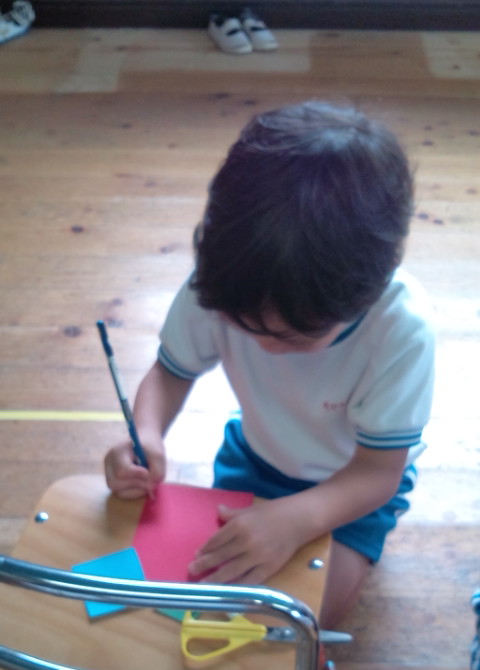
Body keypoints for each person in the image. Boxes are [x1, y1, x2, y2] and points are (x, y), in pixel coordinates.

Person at [104, 100, 435, 628]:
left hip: (350, 491)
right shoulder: (226, 281)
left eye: (294, 336)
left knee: (304, 618)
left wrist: (297, 519)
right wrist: (145, 432)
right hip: (254, 460)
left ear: (370, 287)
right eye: (244, 327)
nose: (266, 348)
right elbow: (170, 373)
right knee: (190, 601)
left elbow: (378, 473)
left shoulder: (401, 331)